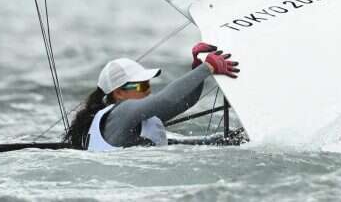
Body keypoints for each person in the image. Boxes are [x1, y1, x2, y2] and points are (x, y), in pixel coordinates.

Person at [63, 43, 238, 151]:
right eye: (141, 85)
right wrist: (208, 67)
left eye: (148, 83)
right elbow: (165, 99)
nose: (147, 90)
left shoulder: (137, 117)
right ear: (118, 93)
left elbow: (184, 102)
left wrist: (197, 66)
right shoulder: (121, 112)